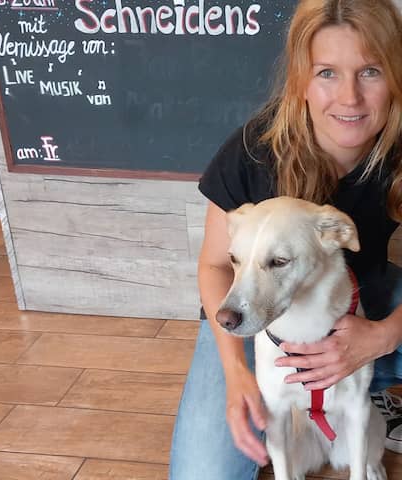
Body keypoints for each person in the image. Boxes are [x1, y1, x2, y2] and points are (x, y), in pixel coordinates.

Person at [169, 1, 402, 479]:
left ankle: (365, 382)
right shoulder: (252, 151)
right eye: (327, 73)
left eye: (370, 71)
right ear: (300, 81)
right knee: (203, 473)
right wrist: (236, 372)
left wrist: (383, 336)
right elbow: (215, 265)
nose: (350, 97)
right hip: (251, 313)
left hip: (366, 295)